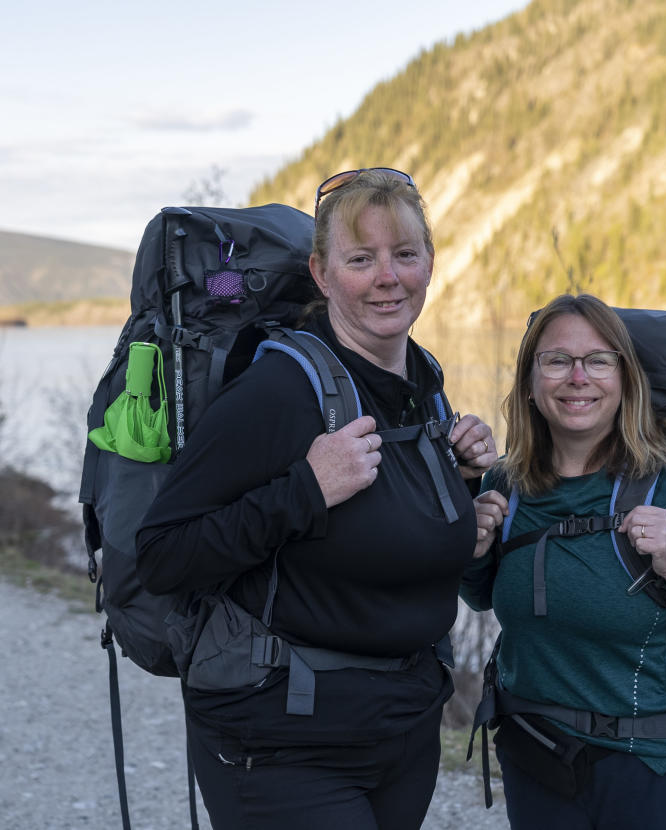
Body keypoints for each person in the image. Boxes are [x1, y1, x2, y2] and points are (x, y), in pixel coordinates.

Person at [135, 168, 498, 830]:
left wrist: (464, 498)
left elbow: (375, 535)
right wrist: (303, 490)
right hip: (284, 743)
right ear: (323, 274)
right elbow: (161, 555)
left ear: (430, 265)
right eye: (361, 259)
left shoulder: (424, 387)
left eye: (404, 255)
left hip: (402, 733)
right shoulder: (280, 391)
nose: (387, 277)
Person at [461, 293, 666, 830]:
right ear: (531, 384)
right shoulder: (505, 485)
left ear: (625, 380)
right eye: (557, 360)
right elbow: (485, 595)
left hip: (651, 769)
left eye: (598, 361)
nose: (577, 377)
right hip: (535, 758)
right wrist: (470, 551)